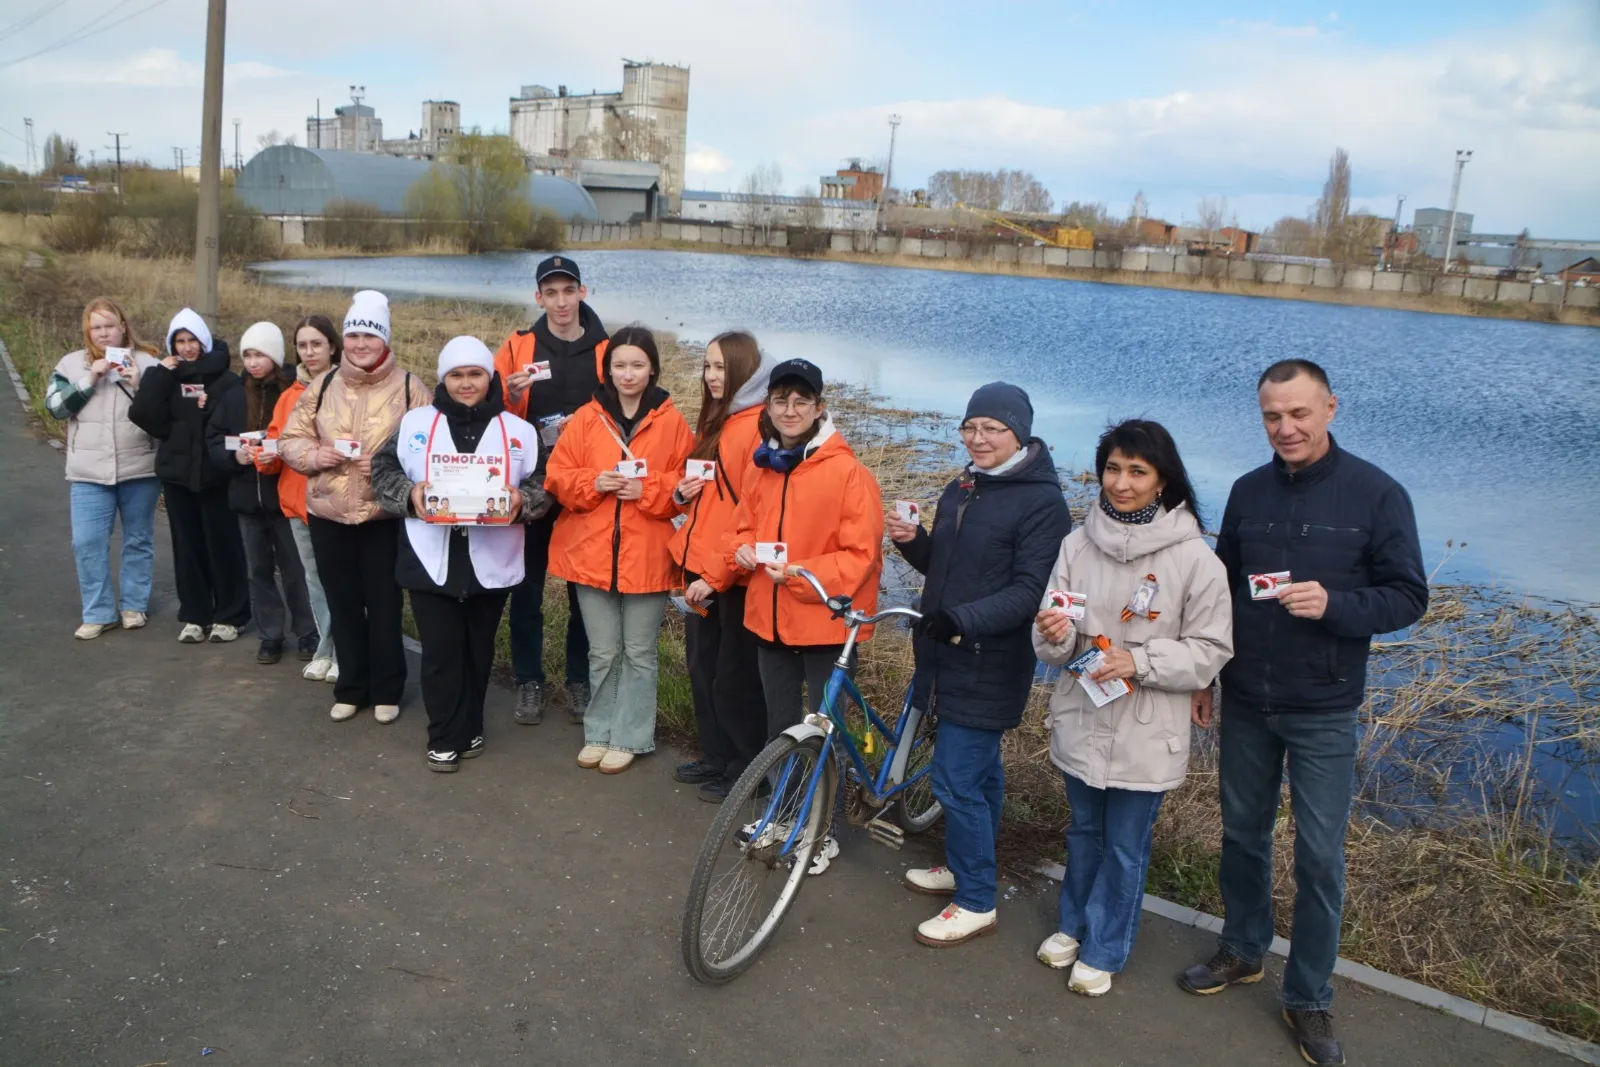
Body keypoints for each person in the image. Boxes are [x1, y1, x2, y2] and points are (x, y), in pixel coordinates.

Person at [1178, 360, 1426, 1067]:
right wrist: (1208, 677)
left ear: (1330, 409)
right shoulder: (1249, 492)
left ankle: (1309, 992)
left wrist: (1337, 606)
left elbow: (1409, 595)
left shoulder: (1377, 494)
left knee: (1319, 858)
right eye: (1271, 415)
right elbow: (1221, 595)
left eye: (1298, 414)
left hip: (1323, 706)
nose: (1284, 428)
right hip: (1248, 699)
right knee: (1244, 836)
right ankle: (1244, 949)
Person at [1031, 419, 1233, 996]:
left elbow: (1211, 650)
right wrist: (1052, 632)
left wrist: (1138, 661)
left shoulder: (1196, 560)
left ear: (1162, 480)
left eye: (1137, 472)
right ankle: (1073, 924)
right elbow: (1053, 643)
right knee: (1082, 832)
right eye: (1113, 469)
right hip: (1081, 715)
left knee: (1124, 846)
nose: (1121, 483)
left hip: (1148, 730)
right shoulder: (1076, 543)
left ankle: (1106, 946)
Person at [886, 383, 1072, 947]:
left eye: (992, 429)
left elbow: (1028, 593)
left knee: (955, 780)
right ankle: (968, 868)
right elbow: (945, 563)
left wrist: (960, 619)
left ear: (1020, 433)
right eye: (970, 427)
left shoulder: (1043, 503)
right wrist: (914, 543)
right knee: (983, 778)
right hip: (944, 651)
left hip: (989, 659)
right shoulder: (965, 483)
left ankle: (975, 901)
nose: (978, 438)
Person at [729, 358, 884, 875]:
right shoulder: (763, 466)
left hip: (827, 627)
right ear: (768, 408)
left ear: (820, 408)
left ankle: (822, 831)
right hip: (769, 622)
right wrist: (744, 552)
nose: (790, 410)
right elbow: (740, 530)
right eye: (780, 401)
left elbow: (859, 557)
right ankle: (783, 813)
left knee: (822, 734)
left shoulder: (848, 473)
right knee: (780, 728)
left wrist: (796, 572)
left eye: (801, 401)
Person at [373, 336, 550, 772]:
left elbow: (544, 484)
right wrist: (410, 494)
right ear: (443, 378)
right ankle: (443, 735)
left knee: (478, 649)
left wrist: (521, 502)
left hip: (491, 557)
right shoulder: (416, 424)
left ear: (490, 377)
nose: (466, 384)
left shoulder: (519, 432)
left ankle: (471, 726)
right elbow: (382, 469)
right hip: (429, 555)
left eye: (475, 374)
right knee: (440, 651)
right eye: (456, 375)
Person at [545, 325, 692, 774]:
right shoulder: (586, 419)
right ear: (607, 369)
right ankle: (599, 731)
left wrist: (644, 489)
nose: (627, 375)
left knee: (639, 652)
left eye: (637, 365)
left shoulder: (672, 423)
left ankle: (631, 736)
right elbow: (556, 476)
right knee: (603, 650)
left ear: (652, 370)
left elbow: (685, 491)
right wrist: (593, 482)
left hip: (647, 555)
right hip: (589, 555)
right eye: (619, 365)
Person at [279, 291, 429, 724]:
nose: (361, 343)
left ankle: (387, 690)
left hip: (382, 516)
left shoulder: (409, 387)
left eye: (370, 334)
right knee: (342, 603)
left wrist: (388, 462)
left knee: (383, 604)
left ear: (384, 339)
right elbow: (290, 439)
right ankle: (351, 687)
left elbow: (430, 451)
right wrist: (314, 457)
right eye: (354, 335)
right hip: (329, 515)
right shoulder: (324, 385)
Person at [493, 255, 610, 725]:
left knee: (585, 588)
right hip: (534, 483)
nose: (561, 301)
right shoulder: (519, 347)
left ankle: (579, 680)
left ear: (583, 292)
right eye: (551, 293)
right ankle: (528, 680)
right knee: (528, 585)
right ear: (538, 298)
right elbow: (492, 411)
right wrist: (513, 396)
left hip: (585, 484)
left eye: (569, 291)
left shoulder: (606, 347)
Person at [668, 331, 777, 802]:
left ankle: (743, 771)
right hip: (701, 566)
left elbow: (750, 514)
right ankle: (715, 756)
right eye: (707, 366)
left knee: (734, 677)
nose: (712, 376)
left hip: (731, 575)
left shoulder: (756, 427)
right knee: (702, 666)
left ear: (746, 371)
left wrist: (717, 575)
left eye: (721, 367)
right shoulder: (720, 419)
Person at [128, 308, 249, 644]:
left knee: (223, 546)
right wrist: (157, 375)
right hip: (179, 476)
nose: (186, 348)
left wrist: (209, 408)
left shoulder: (225, 380)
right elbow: (142, 414)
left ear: (204, 341)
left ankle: (231, 615)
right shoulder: (170, 377)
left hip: (216, 476)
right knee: (188, 547)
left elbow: (234, 423)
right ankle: (195, 615)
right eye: (179, 341)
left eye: (192, 339)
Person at [46, 298, 164, 639]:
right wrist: (89, 380)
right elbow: (54, 407)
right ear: (88, 332)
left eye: (109, 325)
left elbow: (165, 416)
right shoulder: (71, 364)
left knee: (138, 539)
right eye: (95, 327)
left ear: (123, 326)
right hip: (88, 472)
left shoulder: (147, 362)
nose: (103, 333)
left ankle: (133, 606)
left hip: (139, 467)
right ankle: (98, 612)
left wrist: (139, 384)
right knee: (87, 542)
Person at [205, 321, 317, 666]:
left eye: (260, 355)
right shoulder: (234, 396)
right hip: (245, 498)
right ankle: (270, 635)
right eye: (248, 355)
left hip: (283, 497)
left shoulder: (292, 394)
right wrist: (235, 456)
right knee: (258, 569)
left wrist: (282, 455)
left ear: (275, 356)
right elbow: (214, 437)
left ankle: (307, 631)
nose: (253, 362)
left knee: (296, 569)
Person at [261, 316, 342, 683]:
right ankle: (327, 649)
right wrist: (264, 458)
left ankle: (345, 651)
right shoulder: (288, 396)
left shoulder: (347, 389)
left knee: (343, 582)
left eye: (317, 344)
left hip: (338, 504)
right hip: (298, 504)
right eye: (303, 345)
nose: (309, 352)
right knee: (316, 583)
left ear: (332, 346)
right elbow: (276, 446)